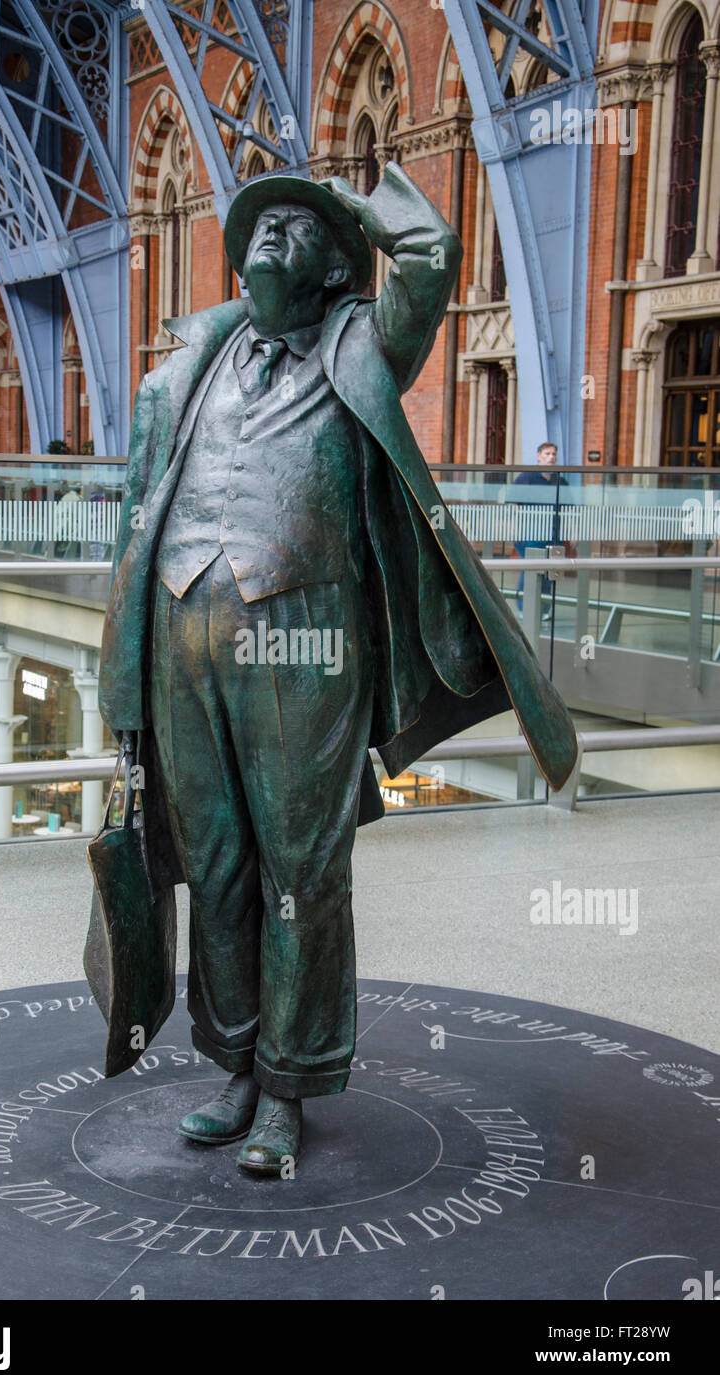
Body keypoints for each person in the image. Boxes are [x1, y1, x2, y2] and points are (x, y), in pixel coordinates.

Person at [96, 164, 577, 1175]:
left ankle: (290, 1084)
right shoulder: (183, 369)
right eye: (261, 227)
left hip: (308, 642)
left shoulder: (364, 345)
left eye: (299, 232)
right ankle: (233, 1064)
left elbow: (431, 255)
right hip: (184, 646)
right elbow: (136, 527)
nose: (275, 237)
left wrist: (346, 207)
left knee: (300, 875)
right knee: (219, 869)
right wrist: (123, 680)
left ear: (332, 272)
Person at [513, 441, 567, 615]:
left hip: (553, 532)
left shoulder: (560, 480)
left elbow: (569, 508)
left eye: (553, 454)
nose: (551, 457)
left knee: (549, 571)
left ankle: (543, 608)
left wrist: (572, 532)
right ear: (538, 456)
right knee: (531, 569)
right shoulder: (526, 478)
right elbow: (513, 504)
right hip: (531, 532)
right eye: (547, 454)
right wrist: (514, 529)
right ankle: (524, 607)